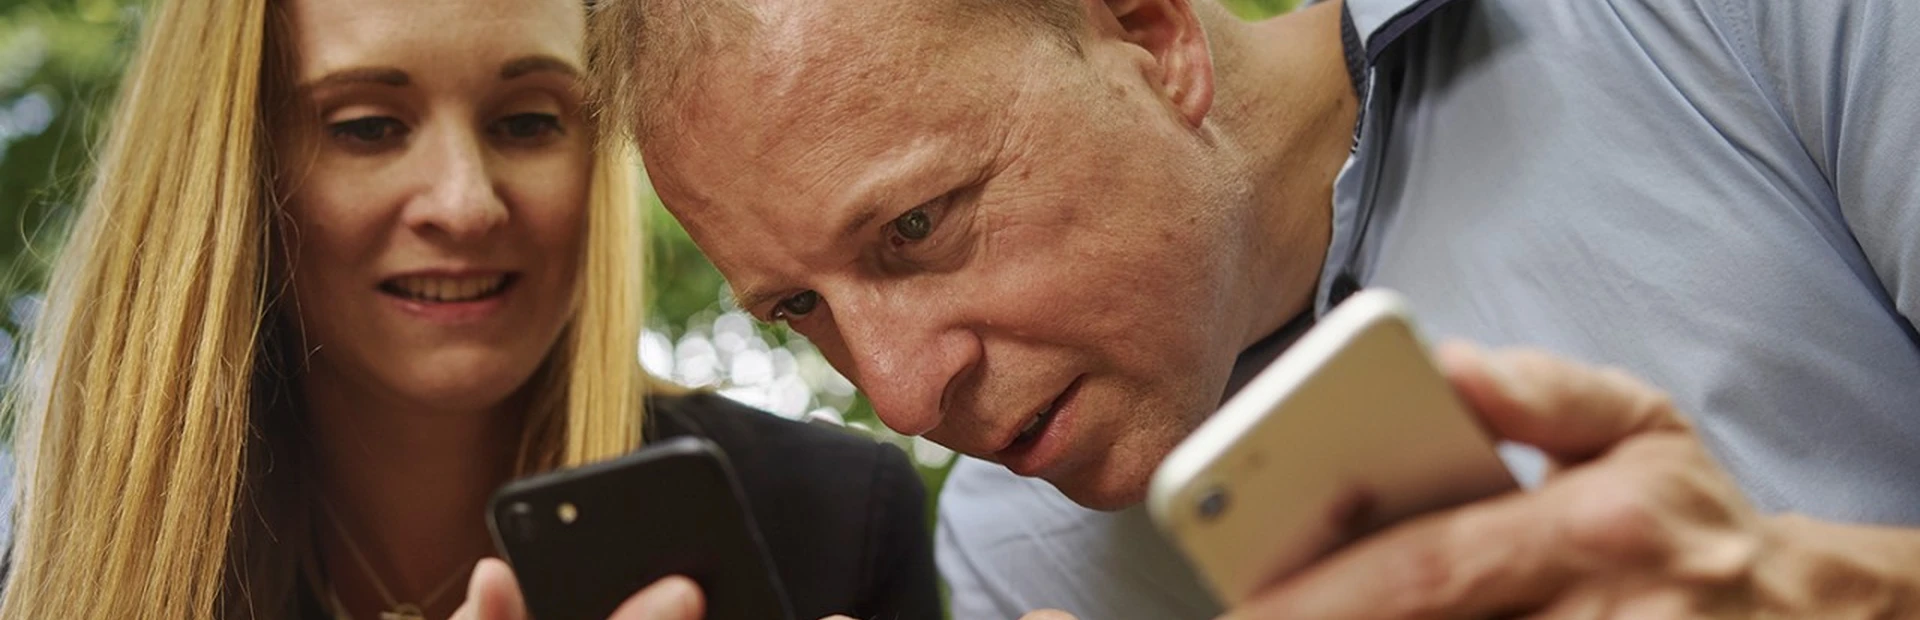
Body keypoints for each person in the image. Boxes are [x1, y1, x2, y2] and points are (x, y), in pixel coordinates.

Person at [586, 0, 1920, 616]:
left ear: (1150, 33)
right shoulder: (1008, 559)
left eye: (918, 226)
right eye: (800, 310)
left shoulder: (1711, 21)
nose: (896, 396)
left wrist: (1807, 592)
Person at [0, 0, 941, 618]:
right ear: (240, 176)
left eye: (527, 120)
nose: (463, 203)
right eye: (368, 127)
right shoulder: (73, 567)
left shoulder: (830, 523)